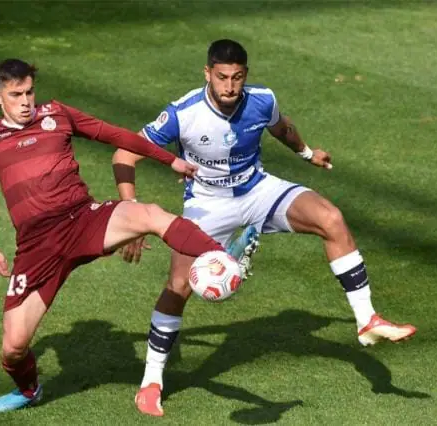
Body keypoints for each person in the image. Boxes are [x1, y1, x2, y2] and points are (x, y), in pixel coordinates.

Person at [112, 39, 417, 417]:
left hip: (257, 188)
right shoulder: (183, 113)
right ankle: (151, 381)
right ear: (207, 73)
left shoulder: (261, 100)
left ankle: (366, 319)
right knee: (177, 286)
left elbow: (281, 128)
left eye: (237, 78)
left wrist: (307, 153)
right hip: (208, 204)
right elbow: (124, 153)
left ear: (246, 76)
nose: (229, 87)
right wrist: (133, 212)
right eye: (221, 77)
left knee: (331, 218)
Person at [0, 59, 233, 413]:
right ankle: (29, 391)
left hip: (82, 220)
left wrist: (168, 160)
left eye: (29, 92)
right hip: (37, 248)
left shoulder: (57, 114)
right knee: (13, 347)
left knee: (150, 215)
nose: (25, 101)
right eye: (15, 95)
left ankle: (220, 257)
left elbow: (113, 134)